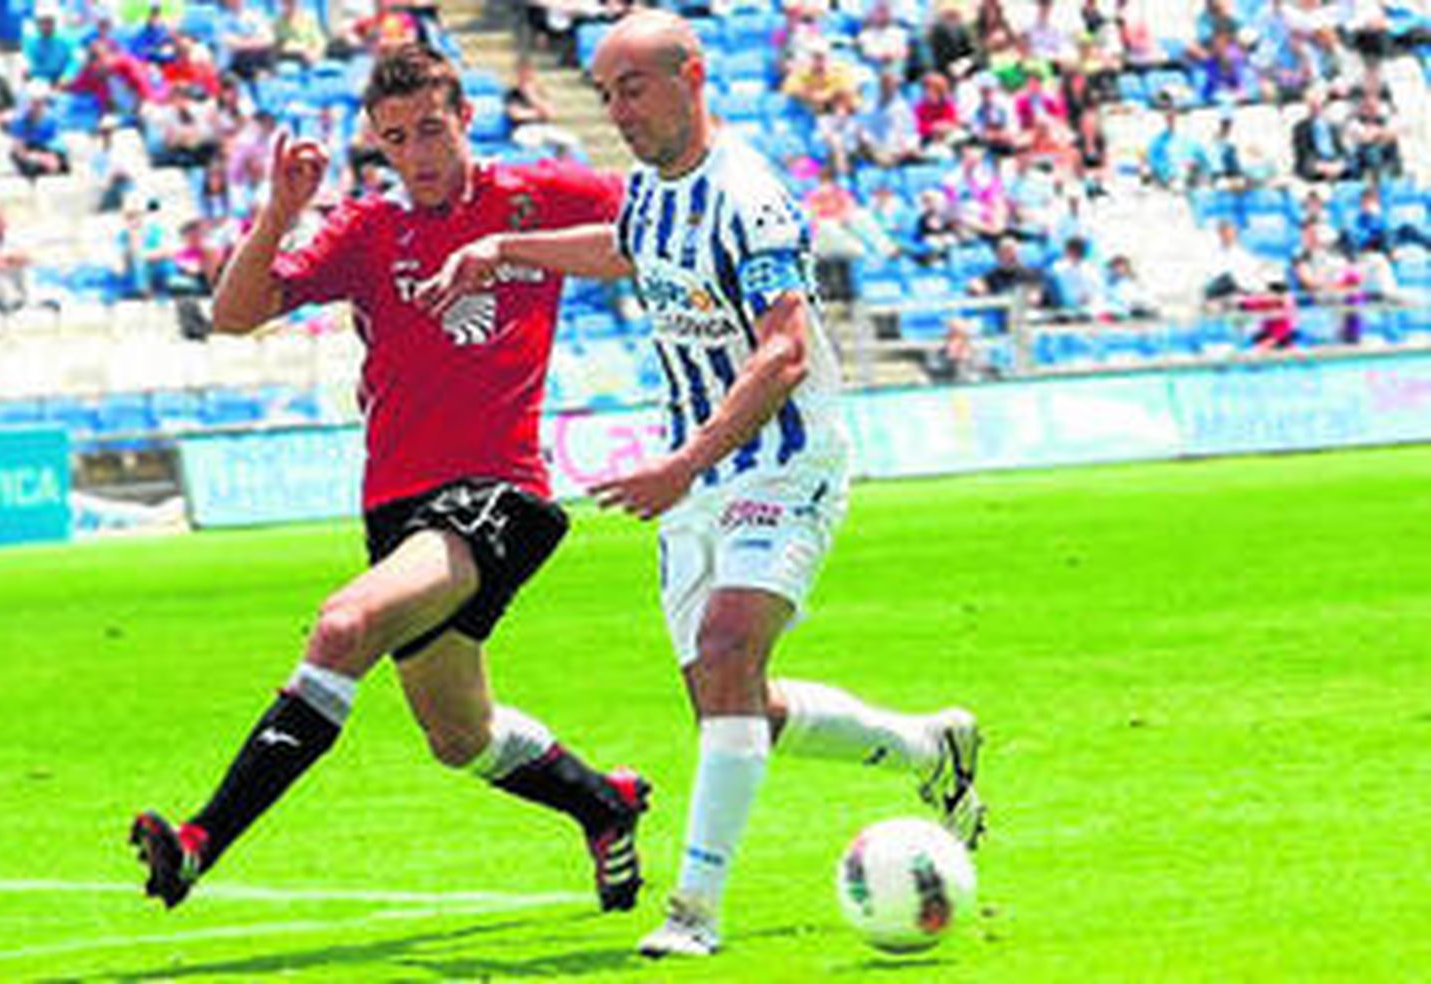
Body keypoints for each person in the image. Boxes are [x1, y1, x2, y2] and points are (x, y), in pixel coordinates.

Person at [419, 10, 984, 958]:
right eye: (606, 94)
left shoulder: (751, 200)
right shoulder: (652, 188)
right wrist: (505, 250)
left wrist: (682, 464)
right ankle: (927, 747)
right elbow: (628, 247)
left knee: (726, 652)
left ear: (691, 78)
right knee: (732, 701)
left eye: (633, 88)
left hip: (781, 461)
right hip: (693, 481)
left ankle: (694, 911)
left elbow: (784, 354)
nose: (618, 110)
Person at [129, 43, 652, 917]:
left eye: (432, 131)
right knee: (459, 736)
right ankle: (603, 804)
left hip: (499, 493)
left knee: (344, 625)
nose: (418, 155)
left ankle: (197, 842)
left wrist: (519, 247)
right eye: (397, 139)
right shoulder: (368, 229)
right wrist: (278, 213)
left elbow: (656, 236)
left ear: (467, 120)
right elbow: (232, 315)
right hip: (399, 506)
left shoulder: (539, 194)